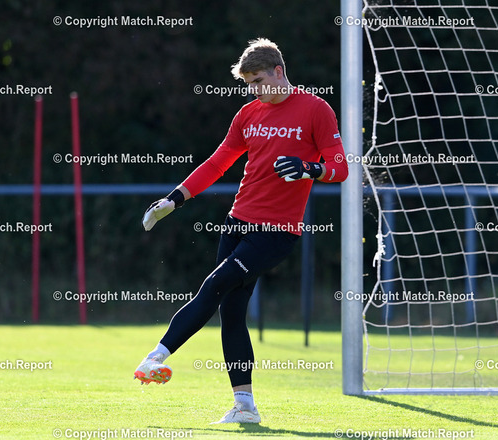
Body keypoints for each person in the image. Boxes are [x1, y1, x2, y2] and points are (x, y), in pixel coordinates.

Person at [134, 38, 348, 424]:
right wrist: (174, 200)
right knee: (231, 313)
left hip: (277, 232)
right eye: (249, 84)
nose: (255, 90)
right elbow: (217, 163)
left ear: (279, 72)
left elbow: (340, 167)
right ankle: (245, 406)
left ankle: (156, 356)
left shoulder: (316, 109)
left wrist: (310, 168)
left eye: (259, 81)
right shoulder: (248, 114)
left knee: (214, 285)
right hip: (237, 222)